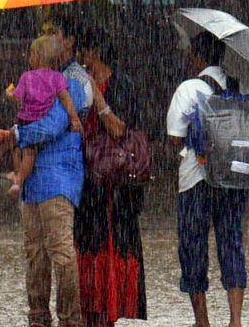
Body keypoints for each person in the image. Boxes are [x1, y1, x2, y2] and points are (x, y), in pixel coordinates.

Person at [0, 35, 86, 327]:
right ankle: (38, 316)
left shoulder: (73, 83)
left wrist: (11, 135)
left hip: (58, 178)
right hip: (34, 181)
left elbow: (52, 126)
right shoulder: (42, 80)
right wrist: (7, 131)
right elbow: (28, 116)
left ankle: (69, 320)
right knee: (35, 252)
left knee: (61, 252)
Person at [166, 32, 249, 327]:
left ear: (197, 57)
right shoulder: (243, 88)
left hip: (195, 180)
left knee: (193, 246)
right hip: (234, 179)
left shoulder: (189, 88)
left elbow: (174, 137)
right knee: (231, 242)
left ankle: (202, 321)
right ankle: (235, 319)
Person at [73, 28, 147, 327]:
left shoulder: (122, 85)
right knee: (88, 242)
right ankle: (90, 308)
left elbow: (119, 130)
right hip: (87, 183)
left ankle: (111, 309)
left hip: (116, 185)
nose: (81, 58)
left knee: (113, 242)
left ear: (95, 53)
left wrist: (100, 100)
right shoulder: (79, 87)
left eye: (85, 51)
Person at [5, 36, 83, 195]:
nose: (29, 58)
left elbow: (18, 99)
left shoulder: (27, 77)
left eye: (31, 54)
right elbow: (66, 99)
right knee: (30, 154)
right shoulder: (58, 77)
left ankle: (18, 177)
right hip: (42, 119)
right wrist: (74, 118)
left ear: (38, 57)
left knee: (17, 147)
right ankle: (19, 178)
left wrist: (10, 94)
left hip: (25, 120)